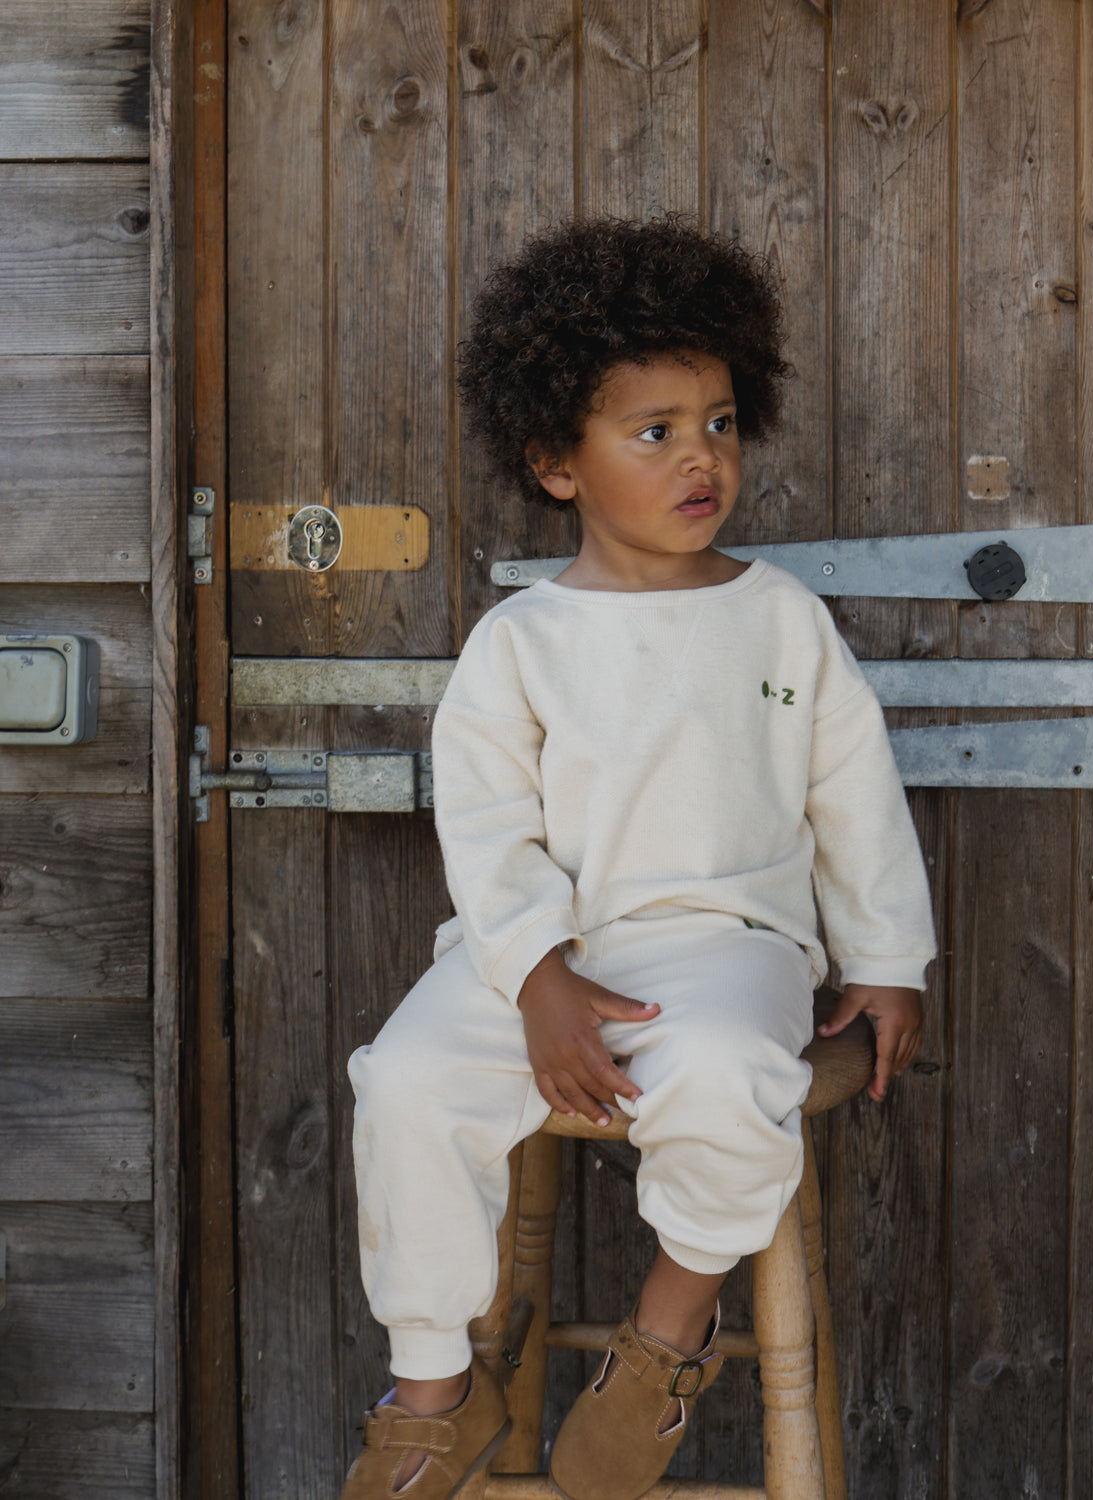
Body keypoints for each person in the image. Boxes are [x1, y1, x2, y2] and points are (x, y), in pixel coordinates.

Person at [341, 216, 936, 1500]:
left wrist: (890, 961)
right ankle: (435, 1387)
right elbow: (490, 829)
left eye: (718, 421)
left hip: (729, 953)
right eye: (653, 430)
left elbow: (854, 797)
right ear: (557, 459)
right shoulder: (522, 641)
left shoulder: (782, 618)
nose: (700, 456)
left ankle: (667, 1337)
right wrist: (540, 974)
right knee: (403, 1083)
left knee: (732, 1077)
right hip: (544, 955)